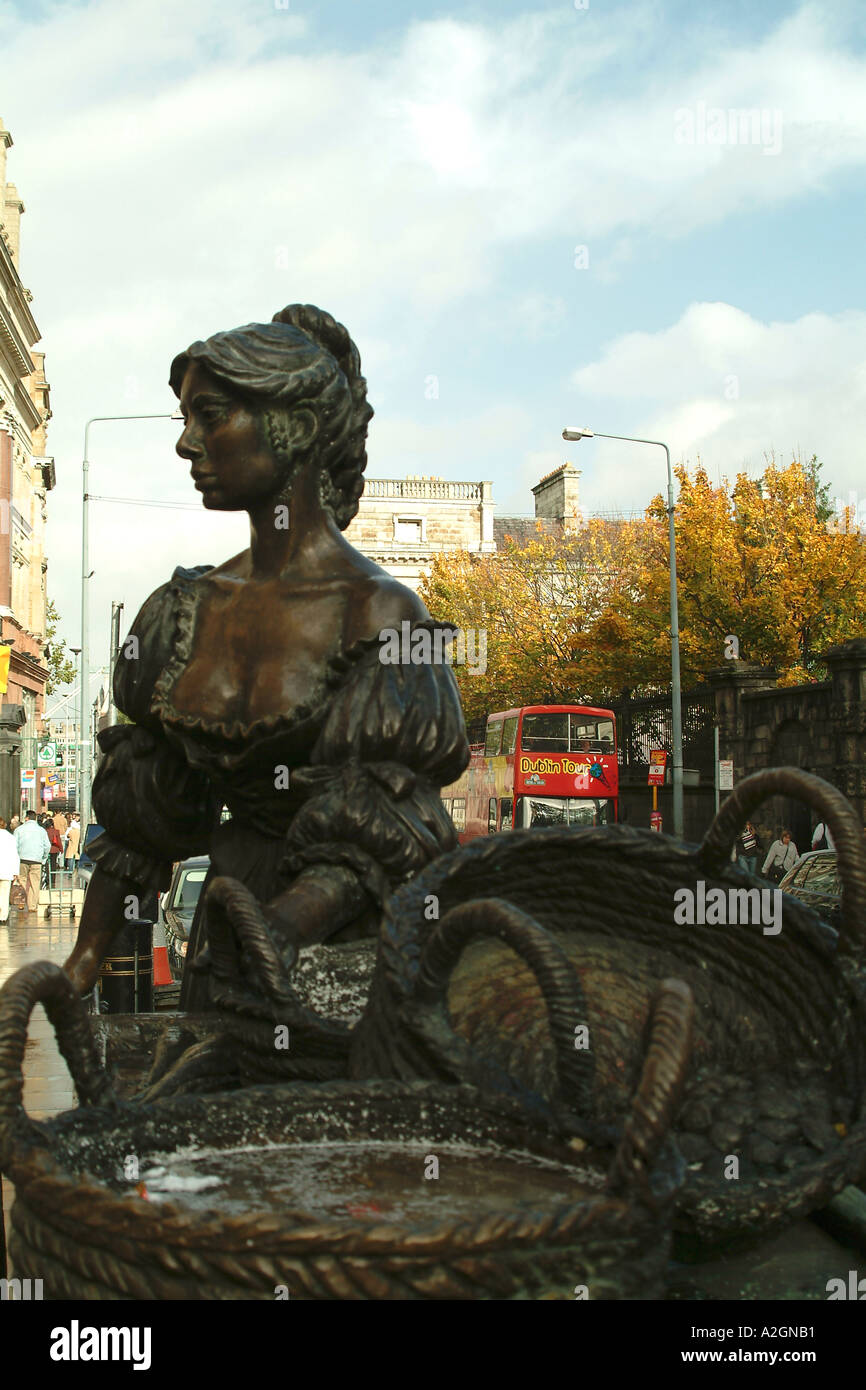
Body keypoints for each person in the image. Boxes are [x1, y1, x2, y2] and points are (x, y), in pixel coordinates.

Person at [63, 304, 469, 1014]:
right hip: (229, 960)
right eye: (184, 419)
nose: (187, 444)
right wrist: (80, 964)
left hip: (352, 981)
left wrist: (279, 928)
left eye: (210, 415)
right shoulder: (181, 611)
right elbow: (143, 819)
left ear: (299, 429)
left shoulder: (380, 615)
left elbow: (389, 831)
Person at [14, 810, 50, 913]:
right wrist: (43, 857)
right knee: (35, 883)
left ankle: (21, 902)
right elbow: (47, 846)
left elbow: (14, 845)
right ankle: (32, 906)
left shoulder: (19, 829)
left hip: (22, 859)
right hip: (36, 860)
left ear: (26, 818)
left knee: (22, 881)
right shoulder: (42, 831)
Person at [0, 815, 20, 924]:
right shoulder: (10, 837)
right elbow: (15, 855)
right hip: (6, 870)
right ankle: (2, 917)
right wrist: (15, 871)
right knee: (4, 893)